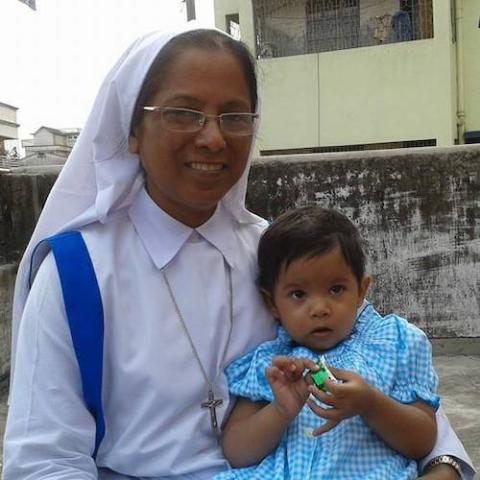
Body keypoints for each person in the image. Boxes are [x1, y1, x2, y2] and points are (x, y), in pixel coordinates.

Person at [2, 22, 475, 480]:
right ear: (132, 130)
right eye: (183, 113)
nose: (212, 137)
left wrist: (444, 464)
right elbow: (45, 461)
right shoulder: (75, 274)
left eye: (234, 116)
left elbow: (378, 363)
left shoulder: (277, 254)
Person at [216, 206, 438, 479]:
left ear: (361, 291)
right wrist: (280, 411)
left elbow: (423, 441)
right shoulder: (272, 364)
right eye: (298, 294)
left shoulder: (394, 342)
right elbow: (236, 452)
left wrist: (371, 404)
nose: (320, 308)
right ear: (272, 303)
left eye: (336, 289)